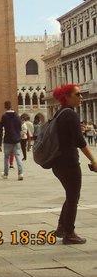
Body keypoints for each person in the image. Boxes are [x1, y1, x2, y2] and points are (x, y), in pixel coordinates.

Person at [49, 84, 97, 244]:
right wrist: (93, 159)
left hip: (58, 162)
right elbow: (80, 141)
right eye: (77, 94)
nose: (81, 97)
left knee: (70, 195)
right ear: (67, 97)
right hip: (68, 162)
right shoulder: (70, 115)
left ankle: (62, 228)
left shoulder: (60, 113)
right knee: (73, 197)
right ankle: (69, 233)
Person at [0, 101, 23, 180]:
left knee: (6, 157)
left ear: (5, 106)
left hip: (8, 139)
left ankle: (6, 174)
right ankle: (20, 174)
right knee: (18, 157)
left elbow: (0, 126)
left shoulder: (4, 116)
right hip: (16, 139)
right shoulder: (17, 116)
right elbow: (20, 127)